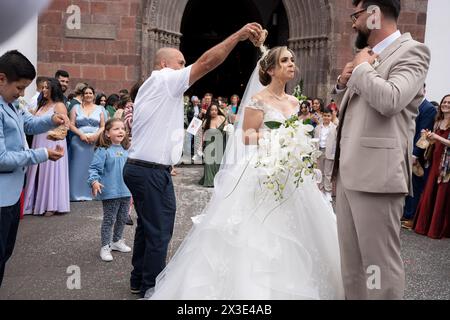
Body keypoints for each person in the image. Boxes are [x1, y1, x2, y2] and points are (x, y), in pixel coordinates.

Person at [149, 46, 344, 300]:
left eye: (293, 60)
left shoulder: (295, 101)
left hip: (291, 170)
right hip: (263, 168)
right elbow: (247, 135)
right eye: (285, 60)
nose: (291, 64)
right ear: (271, 69)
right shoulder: (258, 100)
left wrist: (295, 145)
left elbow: (299, 135)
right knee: (257, 230)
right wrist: (278, 137)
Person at [122, 22, 265, 298]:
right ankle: (152, 287)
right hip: (149, 171)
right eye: (181, 62)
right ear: (164, 63)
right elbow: (207, 63)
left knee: (147, 228)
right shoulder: (165, 79)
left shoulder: (154, 86)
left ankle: (138, 279)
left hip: (142, 168)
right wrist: (237, 36)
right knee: (161, 231)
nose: (186, 67)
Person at [332, 0, 430, 299]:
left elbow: (391, 100)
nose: (352, 23)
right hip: (349, 174)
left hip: (377, 178)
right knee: (352, 267)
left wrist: (362, 69)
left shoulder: (412, 51)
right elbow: (358, 111)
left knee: (378, 267)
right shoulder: (368, 56)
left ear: (375, 14)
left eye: (356, 15)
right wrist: (344, 81)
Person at [0, 50, 68, 286]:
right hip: (1, 196)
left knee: (5, 254)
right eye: (19, 88)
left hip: (11, 194)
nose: (22, 94)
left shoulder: (11, 103)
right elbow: (2, 158)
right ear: (1, 78)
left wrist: (52, 120)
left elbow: (27, 123)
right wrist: (42, 154)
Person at [23, 78, 70, 217]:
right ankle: (33, 203)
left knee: (50, 172)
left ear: (53, 89)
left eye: (47, 88)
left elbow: (64, 126)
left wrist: (54, 135)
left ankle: (51, 204)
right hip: (38, 140)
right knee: (36, 171)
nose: (43, 90)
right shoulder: (41, 105)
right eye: (43, 87)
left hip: (53, 141)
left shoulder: (59, 105)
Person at [87, 118, 132, 261]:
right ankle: (105, 246)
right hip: (110, 192)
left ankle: (117, 241)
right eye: (116, 129)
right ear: (107, 133)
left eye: (122, 129)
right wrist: (94, 181)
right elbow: (94, 168)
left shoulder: (127, 150)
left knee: (122, 218)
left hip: (126, 191)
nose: (120, 131)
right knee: (109, 219)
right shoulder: (103, 150)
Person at [413, 95, 450, 239]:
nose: (446, 104)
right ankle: (424, 226)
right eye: (444, 102)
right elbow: (431, 143)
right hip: (434, 160)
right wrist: (426, 136)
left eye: (449, 103)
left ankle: (438, 229)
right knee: (429, 192)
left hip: (446, 165)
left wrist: (437, 137)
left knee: (442, 195)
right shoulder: (438, 121)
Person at [402, 85, 437, 229]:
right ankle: (406, 213)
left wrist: (415, 154)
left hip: (417, 155)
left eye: (419, 90)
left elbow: (423, 134)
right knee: (407, 184)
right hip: (406, 151)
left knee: (415, 185)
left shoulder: (428, 108)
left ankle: (411, 216)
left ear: (424, 91)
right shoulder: (410, 106)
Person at [68, 86, 105, 201]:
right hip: (79, 141)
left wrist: (96, 135)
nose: (88, 95)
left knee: (94, 166)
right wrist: (81, 134)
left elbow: (103, 126)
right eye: (86, 93)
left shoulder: (100, 109)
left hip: (95, 141)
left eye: (90, 93)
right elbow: (71, 124)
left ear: (93, 95)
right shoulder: (75, 107)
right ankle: (76, 193)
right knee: (78, 167)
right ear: (83, 95)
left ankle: (94, 192)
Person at [198, 103, 227, 187]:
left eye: (215, 110)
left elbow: (228, 129)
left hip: (220, 144)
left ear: (218, 111)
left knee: (217, 164)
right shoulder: (207, 121)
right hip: (210, 144)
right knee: (209, 164)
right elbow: (203, 135)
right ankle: (209, 181)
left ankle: (217, 180)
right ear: (209, 111)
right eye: (212, 110)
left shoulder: (222, 118)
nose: (214, 112)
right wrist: (200, 145)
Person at [314, 108, 337, 203]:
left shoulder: (335, 128)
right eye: (324, 116)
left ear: (331, 117)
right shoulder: (318, 127)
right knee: (320, 172)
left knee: (328, 173)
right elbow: (315, 140)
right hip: (319, 151)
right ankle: (321, 190)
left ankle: (328, 191)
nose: (326, 117)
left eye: (328, 116)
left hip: (329, 151)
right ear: (322, 116)